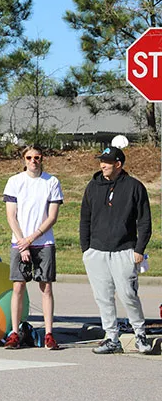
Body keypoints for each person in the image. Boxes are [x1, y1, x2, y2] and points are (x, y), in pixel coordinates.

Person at [80, 146, 154, 355]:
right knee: (103, 296)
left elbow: (145, 222)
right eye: (101, 161)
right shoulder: (92, 187)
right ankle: (111, 337)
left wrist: (139, 249)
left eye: (107, 161)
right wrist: (86, 249)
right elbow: (85, 219)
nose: (102, 165)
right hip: (96, 251)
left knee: (128, 294)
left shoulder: (134, 187)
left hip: (124, 250)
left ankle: (140, 334)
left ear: (118, 164)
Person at [4, 146, 64, 350]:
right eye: (29, 157)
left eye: (37, 157)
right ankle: (14, 332)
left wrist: (32, 238)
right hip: (20, 243)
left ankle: (49, 334)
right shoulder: (15, 182)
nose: (33, 161)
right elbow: (11, 216)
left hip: (43, 242)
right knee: (18, 286)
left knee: (46, 286)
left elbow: (52, 216)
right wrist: (23, 243)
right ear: (24, 159)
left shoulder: (51, 182)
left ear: (42, 159)